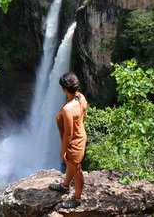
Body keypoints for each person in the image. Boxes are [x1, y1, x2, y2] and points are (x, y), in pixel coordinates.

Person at [49, 72, 87, 208]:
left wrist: (63, 151)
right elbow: (83, 116)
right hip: (80, 137)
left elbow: (68, 134)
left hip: (74, 143)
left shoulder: (67, 109)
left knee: (77, 170)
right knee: (71, 165)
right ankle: (65, 186)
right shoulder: (81, 98)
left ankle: (77, 199)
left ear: (64, 89)